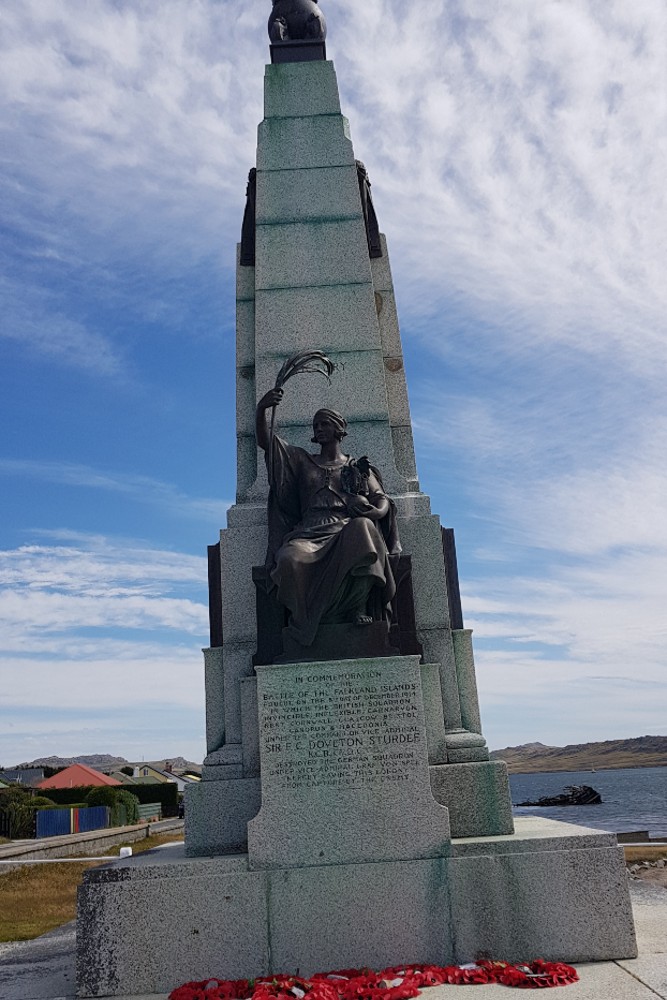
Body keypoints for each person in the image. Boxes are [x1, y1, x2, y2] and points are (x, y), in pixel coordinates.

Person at [256, 389, 400, 647]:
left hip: (345, 530)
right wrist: (261, 410)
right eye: (316, 425)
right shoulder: (301, 460)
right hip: (308, 533)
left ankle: (355, 608)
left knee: (364, 530)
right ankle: (305, 619)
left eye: (324, 424)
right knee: (289, 558)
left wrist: (375, 512)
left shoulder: (356, 467)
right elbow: (268, 443)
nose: (319, 429)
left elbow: (381, 499)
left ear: (338, 429)